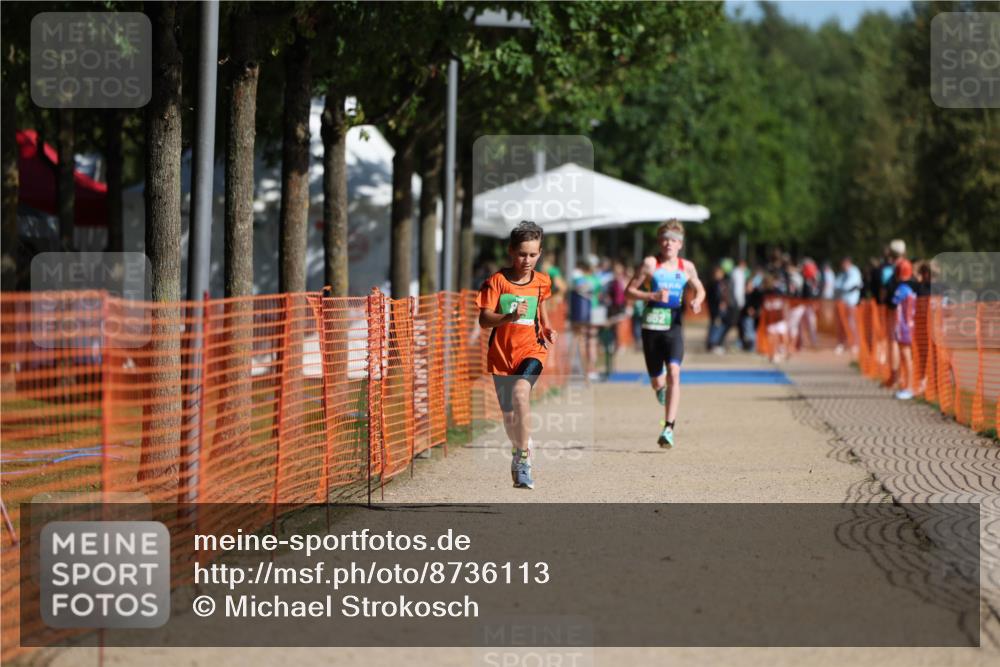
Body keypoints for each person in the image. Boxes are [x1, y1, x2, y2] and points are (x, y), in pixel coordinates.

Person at [477, 221, 558, 489]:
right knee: (510, 417)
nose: (527, 260)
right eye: (522, 254)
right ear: (511, 251)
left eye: (533, 255)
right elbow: (485, 320)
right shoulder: (497, 282)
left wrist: (546, 327)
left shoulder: (542, 281)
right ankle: (518, 449)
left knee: (521, 393)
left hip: (532, 350)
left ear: (540, 253)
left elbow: (541, 305)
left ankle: (524, 460)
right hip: (502, 356)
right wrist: (509, 316)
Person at [625, 219, 705, 448]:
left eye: (674, 240)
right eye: (665, 239)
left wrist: (697, 301)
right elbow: (629, 291)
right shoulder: (650, 264)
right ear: (660, 242)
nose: (669, 243)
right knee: (657, 380)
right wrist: (651, 296)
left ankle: (668, 427)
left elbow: (699, 288)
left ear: (680, 244)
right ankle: (660, 389)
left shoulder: (686, 267)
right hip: (651, 326)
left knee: (674, 372)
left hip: (674, 326)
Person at [570, 258, 602, 382]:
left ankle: (584, 370)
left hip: (581, 312)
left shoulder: (579, 279)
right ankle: (591, 369)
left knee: (581, 339)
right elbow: (599, 294)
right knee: (592, 340)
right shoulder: (596, 280)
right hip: (595, 310)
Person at [890, 259, 917, 400]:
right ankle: (906, 385)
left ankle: (909, 387)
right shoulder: (910, 289)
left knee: (906, 356)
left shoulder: (901, 290)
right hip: (907, 326)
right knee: (906, 356)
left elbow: (893, 304)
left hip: (904, 327)